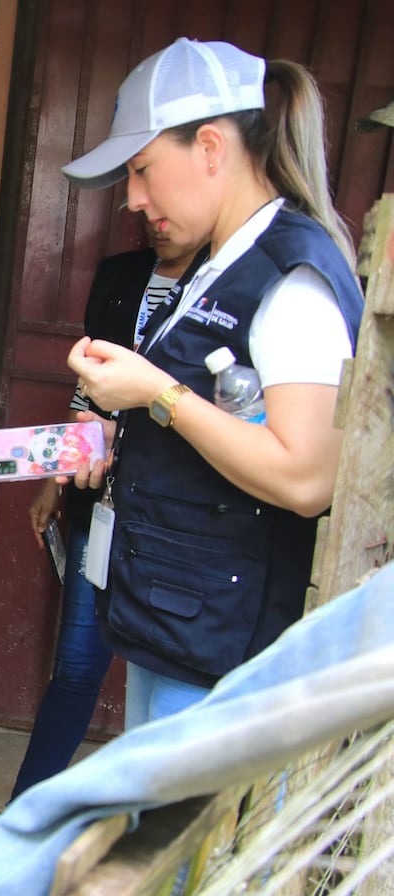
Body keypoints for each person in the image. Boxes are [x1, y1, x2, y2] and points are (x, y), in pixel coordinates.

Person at [61, 38, 363, 730]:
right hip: (177, 620)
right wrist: (121, 426)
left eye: (142, 171)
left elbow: (307, 477)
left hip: (226, 644)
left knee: (187, 836)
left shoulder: (293, 277)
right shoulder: (219, 265)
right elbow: (220, 423)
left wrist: (157, 395)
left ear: (208, 148)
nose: (132, 200)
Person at [0, 216, 203, 864]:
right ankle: (25, 822)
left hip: (179, 529)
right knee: (79, 667)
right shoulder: (120, 277)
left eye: (149, 175)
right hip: (102, 507)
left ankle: (149, 852)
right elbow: (91, 394)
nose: (141, 201)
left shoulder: (227, 285)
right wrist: (58, 479)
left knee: (165, 685)